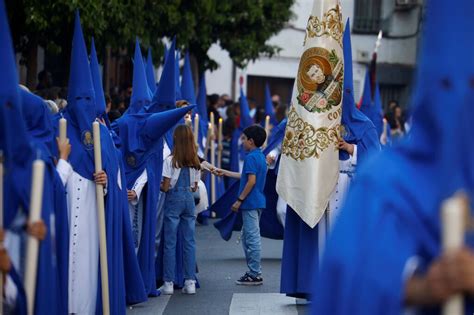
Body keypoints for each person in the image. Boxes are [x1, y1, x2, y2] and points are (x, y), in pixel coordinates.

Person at [312, 1, 474, 314]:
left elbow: (369, 147)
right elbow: (350, 277)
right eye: (453, 84)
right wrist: (422, 286)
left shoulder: (368, 127)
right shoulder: (388, 183)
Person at [215, 124, 267, 285]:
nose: (242, 142)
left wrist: (239, 200)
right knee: (247, 237)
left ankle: (255, 273)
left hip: (250, 202)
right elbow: (246, 176)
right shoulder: (259, 156)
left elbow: (251, 181)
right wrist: (225, 172)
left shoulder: (250, 157)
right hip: (257, 201)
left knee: (251, 238)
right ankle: (253, 271)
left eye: (244, 139)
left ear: (251, 141)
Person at [160, 125, 201, 295]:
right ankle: (190, 281)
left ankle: (168, 283)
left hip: (174, 198)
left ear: (175, 139)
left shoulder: (170, 160)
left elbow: (166, 186)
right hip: (188, 200)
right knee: (189, 241)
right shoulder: (195, 160)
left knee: (170, 242)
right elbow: (194, 187)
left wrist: (161, 186)